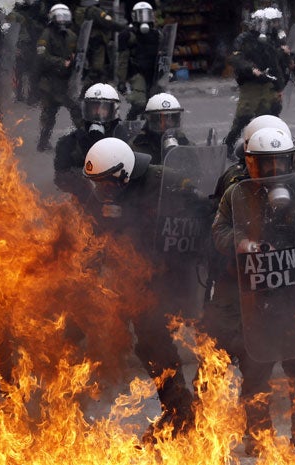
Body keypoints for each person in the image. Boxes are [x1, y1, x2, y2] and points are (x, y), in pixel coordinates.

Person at [204, 126, 295, 456]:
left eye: (280, 162)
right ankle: (257, 435)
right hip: (253, 297)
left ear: (291, 160)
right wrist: (243, 244)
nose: (274, 171)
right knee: (255, 368)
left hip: (292, 298)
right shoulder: (237, 194)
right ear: (250, 164)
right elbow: (218, 229)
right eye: (266, 164)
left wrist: (293, 255)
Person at [82, 137, 205, 442]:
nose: (102, 191)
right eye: (98, 184)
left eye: (107, 184)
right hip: (139, 279)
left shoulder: (167, 183)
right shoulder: (104, 197)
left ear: (124, 173)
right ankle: (180, 410)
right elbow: (96, 238)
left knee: (208, 343)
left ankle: (189, 412)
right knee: (150, 345)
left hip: (175, 274)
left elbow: (203, 215)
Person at [221, 8, 285, 157]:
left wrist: (279, 86)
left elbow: (274, 63)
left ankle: (266, 145)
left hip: (267, 83)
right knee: (244, 116)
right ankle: (228, 145)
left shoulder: (269, 39)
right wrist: (251, 69)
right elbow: (235, 58)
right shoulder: (244, 39)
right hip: (250, 85)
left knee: (269, 116)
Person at [54, 82, 129, 202]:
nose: (98, 113)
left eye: (104, 108)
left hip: (118, 198)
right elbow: (61, 177)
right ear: (86, 110)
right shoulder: (71, 141)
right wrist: (83, 179)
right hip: (85, 201)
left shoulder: (121, 136)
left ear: (113, 111)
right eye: (94, 108)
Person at [35, 3, 83, 152]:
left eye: (65, 17)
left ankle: (85, 139)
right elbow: (42, 56)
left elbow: (78, 53)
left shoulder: (72, 36)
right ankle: (43, 142)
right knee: (48, 114)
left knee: (76, 110)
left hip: (65, 83)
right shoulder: (46, 35)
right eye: (59, 17)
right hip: (49, 82)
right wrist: (61, 62)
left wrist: (77, 60)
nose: (62, 21)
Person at [118, 1, 161, 120]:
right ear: (134, 17)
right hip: (137, 72)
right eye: (140, 14)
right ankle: (128, 124)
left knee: (155, 103)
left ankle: (148, 128)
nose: (144, 18)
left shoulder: (157, 34)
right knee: (139, 102)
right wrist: (121, 80)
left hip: (153, 72)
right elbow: (123, 59)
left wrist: (166, 71)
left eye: (147, 14)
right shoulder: (128, 35)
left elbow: (164, 54)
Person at [73, 0, 128, 91]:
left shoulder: (78, 10)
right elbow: (108, 22)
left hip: (84, 43)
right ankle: (93, 92)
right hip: (97, 44)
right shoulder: (93, 10)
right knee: (98, 70)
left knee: (88, 69)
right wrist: (125, 28)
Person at [129, 92, 191, 165]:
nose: (167, 124)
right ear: (150, 120)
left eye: (171, 118)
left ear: (177, 120)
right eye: (160, 119)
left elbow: (199, 171)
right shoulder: (137, 147)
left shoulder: (185, 144)